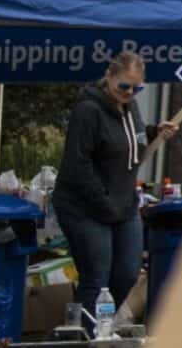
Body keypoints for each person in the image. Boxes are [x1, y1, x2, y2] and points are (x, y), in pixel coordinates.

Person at [49, 51, 175, 320]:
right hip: (84, 206)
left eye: (137, 88)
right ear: (109, 76)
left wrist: (154, 131)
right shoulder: (88, 110)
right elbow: (77, 164)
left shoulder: (130, 108)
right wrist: (103, 201)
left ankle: (100, 328)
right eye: (124, 86)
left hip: (122, 203)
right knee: (96, 277)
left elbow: (129, 138)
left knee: (128, 273)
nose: (129, 92)